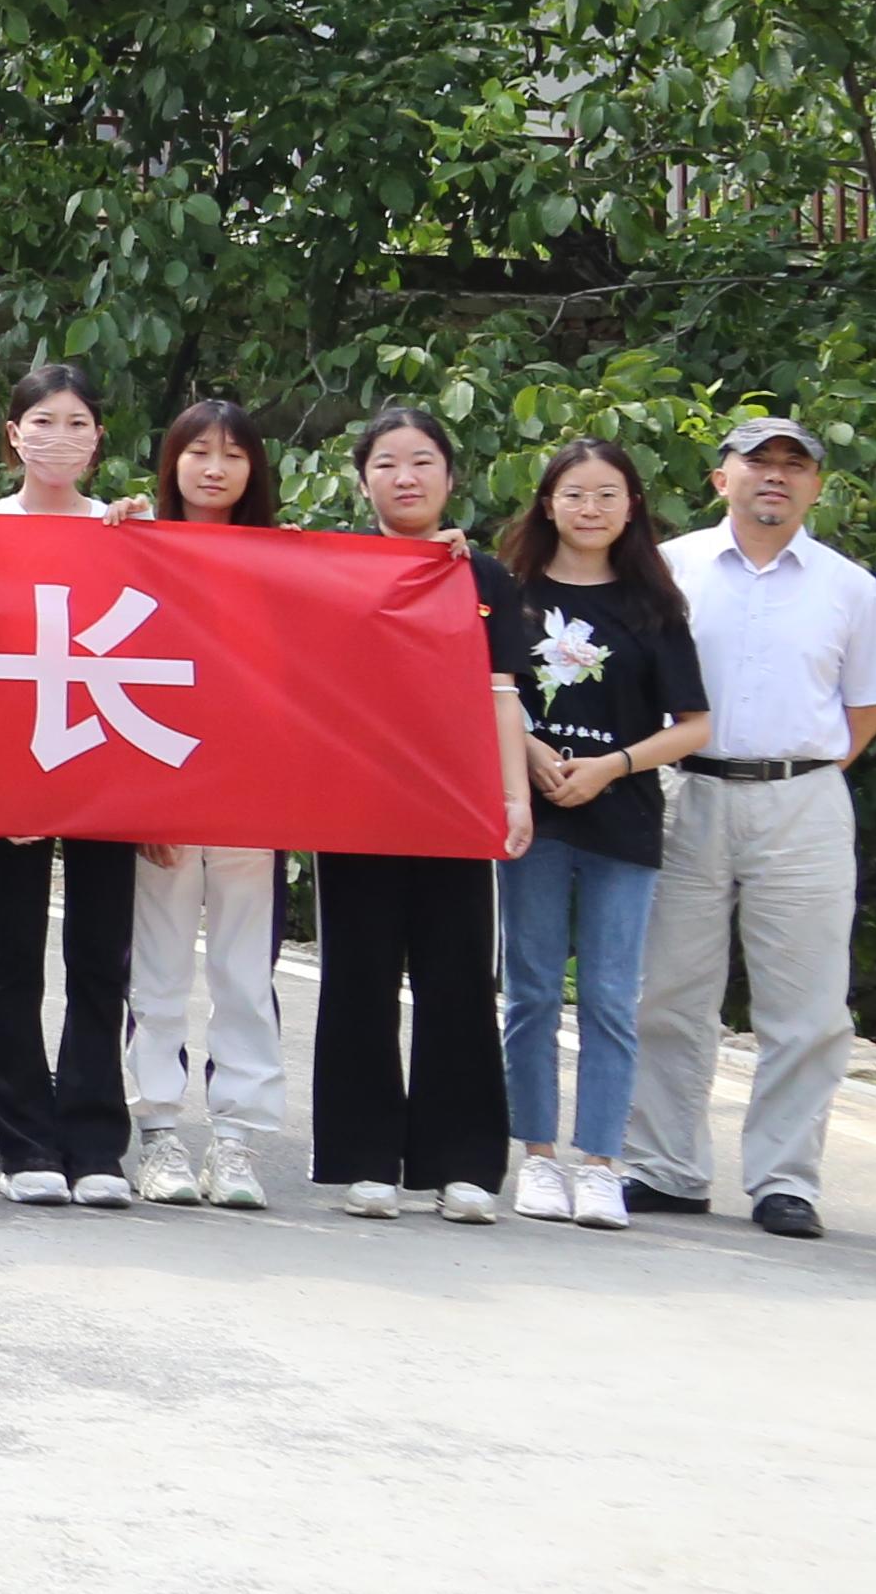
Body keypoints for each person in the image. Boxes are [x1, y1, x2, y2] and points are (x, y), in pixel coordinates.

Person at [634, 415, 876, 1240]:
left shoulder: (848, 587)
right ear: (723, 479)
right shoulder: (668, 568)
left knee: (808, 1006)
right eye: (759, 463)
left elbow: (867, 705)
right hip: (685, 792)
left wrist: (798, 769)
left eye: (796, 465)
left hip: (803, 802)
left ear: (816, 486)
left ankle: (785, 1181)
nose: (776, 476)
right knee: (668, 991)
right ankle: (665, 1166)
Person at [310, 406, 531, 1224]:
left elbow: (502, 694)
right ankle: (365, 1159)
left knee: (459, 979)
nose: (405, 477)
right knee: (359, 976)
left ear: (450, 475)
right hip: (357, 803)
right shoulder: (334, 565)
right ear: (362, 480)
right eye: (386, 464)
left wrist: (513, 796)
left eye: (422, 461)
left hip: (455, 803)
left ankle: (463, 1164)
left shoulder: (484, 577)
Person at [490, 436, 711, 1230]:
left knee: (613, 998)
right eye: (575, 493)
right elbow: (483, 692)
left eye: (607, 494)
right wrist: (534, 752)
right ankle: (538, 1158)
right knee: (531, 992)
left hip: (624, 818)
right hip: (534, 814)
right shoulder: (510, 596)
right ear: (548, 504)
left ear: (632, 507)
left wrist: (612, 766)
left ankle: (601, 1165)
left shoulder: (655, 607)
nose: (590, 508)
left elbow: (695, 725)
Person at [0, 365, 142, 1208]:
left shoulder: (124, 530)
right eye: (42, 422)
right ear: (13, 435)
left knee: (100, 960)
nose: (59, 438)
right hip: (13, 764)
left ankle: (97, 1142)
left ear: (98, 439)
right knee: (14, 958)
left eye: (77, 423)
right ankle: (23, 1141)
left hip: (108, 761)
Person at [119, 399, 288, 1212]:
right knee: (157, 972)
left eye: (233, 454)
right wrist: (141, 801)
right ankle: (158, 1131)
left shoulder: (288, 562)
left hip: (256, 797)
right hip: (165, 793)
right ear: (173, 462)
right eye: (199, 452)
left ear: (255, 469)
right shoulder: (138, 546)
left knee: (244, 973)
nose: (215, 469)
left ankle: (238, 1139)